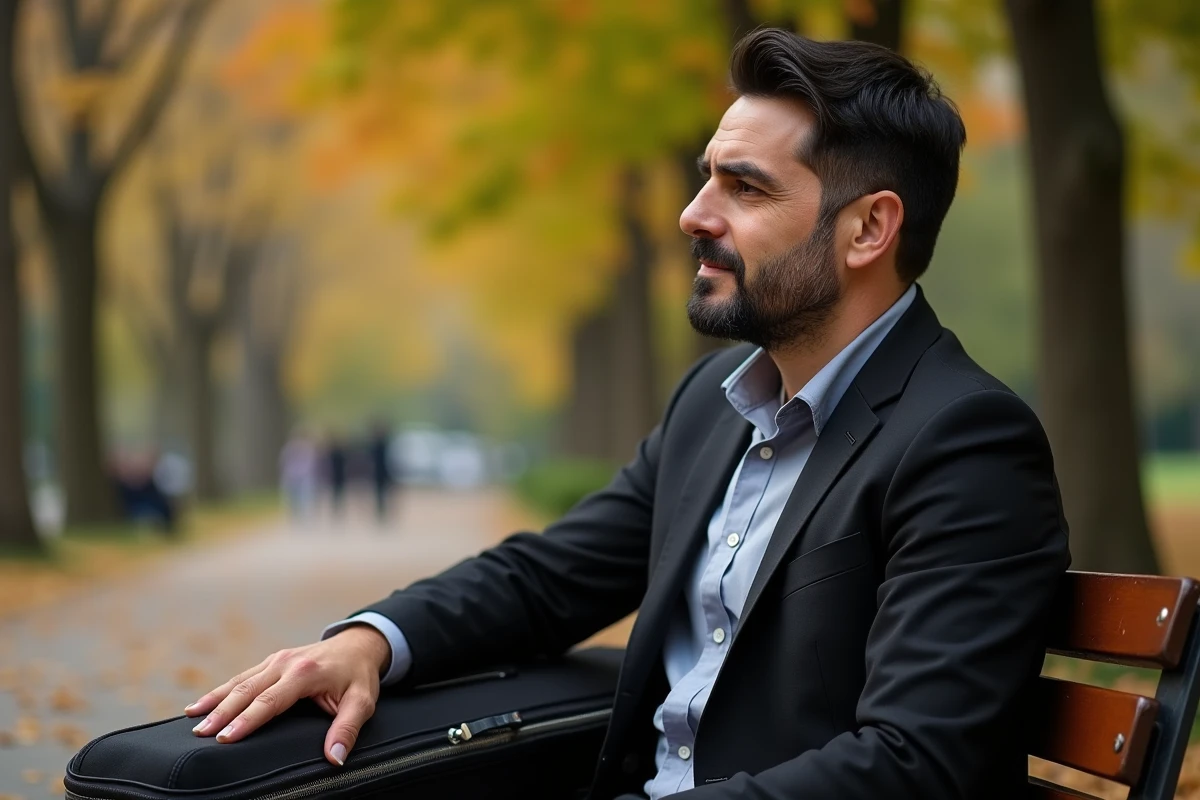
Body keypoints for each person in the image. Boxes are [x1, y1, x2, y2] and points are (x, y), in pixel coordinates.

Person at [183, 30, 1071, 799]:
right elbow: (548, 578)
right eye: (705, 179)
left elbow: (917, 765)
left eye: (745, 189)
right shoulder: (713, 406)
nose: (692, 214)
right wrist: (373, 642)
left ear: (869, 230)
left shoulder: (964, 443)